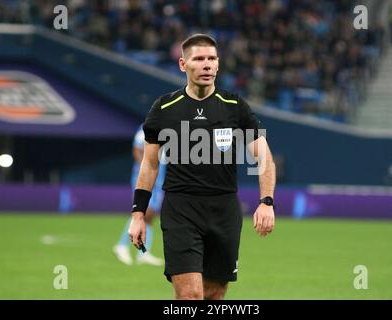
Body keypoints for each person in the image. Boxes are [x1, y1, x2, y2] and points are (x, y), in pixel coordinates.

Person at [128, 34, 276, 300]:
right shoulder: (163, 108)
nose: (207, 65)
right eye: (199, 59)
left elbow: (264, 157)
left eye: (212, 59)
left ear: (218, 64)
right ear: (183, 65)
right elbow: (149, 164)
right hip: (181, 210)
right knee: (189, 296)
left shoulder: (235, 107)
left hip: (224, 210)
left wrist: (266, 201)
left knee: (214, 294)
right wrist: (138, 214)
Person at [113, 125, 165, 266]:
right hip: (147, 176)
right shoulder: (147, 127)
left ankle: (143, 252)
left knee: (150, 215)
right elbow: (137, 150)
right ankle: (122, 245)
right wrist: (146, 172)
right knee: (142, 212)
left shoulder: (170, 126)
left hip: (160, 176)